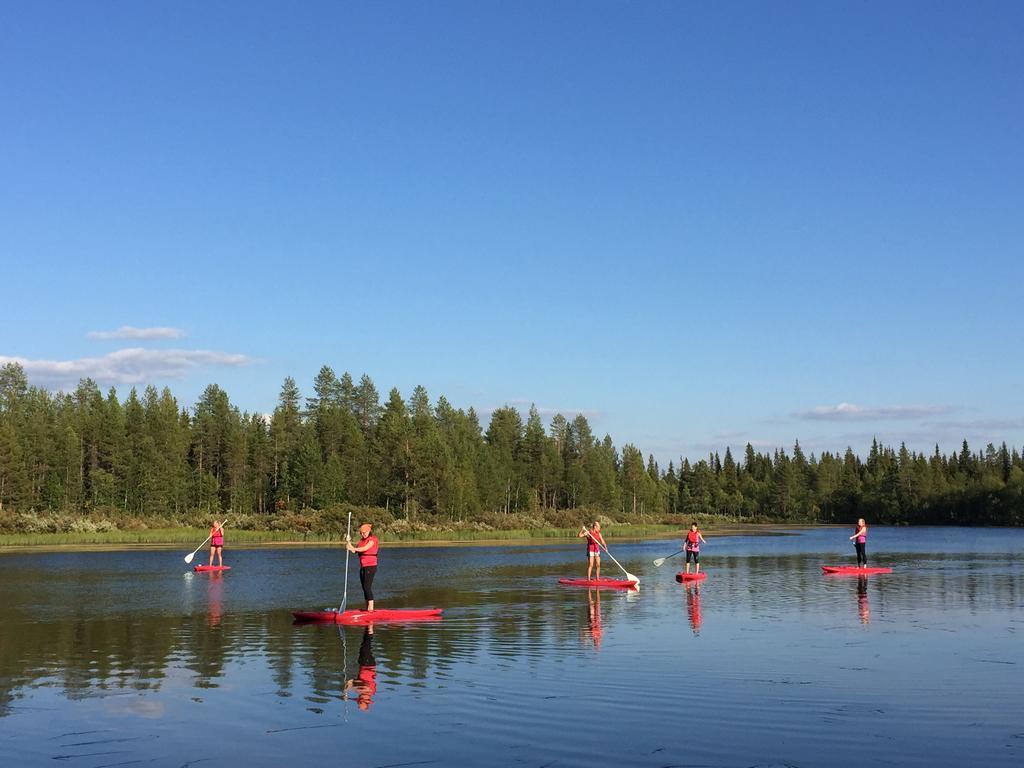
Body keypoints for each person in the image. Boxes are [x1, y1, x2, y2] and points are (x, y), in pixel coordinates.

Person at [346, 522, 379, 611]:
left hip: (371, 566)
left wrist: (353, 548)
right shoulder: (361, 541)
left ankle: (371, 609)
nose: (362, 534)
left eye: (364, 532)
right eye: (361, 533)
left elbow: (365, 548)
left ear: (368, 531)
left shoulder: (373, 539)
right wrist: (348, 541)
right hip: (363, 566)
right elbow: (353, 550)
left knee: (367, 587)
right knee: (364, 587)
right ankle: (367, 608)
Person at [345, 627, 377, 711]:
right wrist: (351, 686)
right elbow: (365, 686)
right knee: (367, 645)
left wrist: (346, 696)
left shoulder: (360, 693)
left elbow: (353, 688)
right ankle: (370, 625)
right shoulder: (370, 691)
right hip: (368, 664)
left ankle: (368, 628)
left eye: (359, 700)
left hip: (363, 664)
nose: (359, 699)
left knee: (364, 645)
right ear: (366, 699)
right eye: (361, 700)